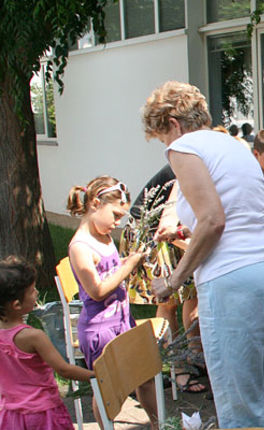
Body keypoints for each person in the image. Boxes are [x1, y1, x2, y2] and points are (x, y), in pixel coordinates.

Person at [142, 81, 264, 429]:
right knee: (260, 389)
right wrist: (193, 230)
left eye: (163, 137)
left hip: (233, 279)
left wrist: (174, 281)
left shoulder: (184, 147)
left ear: (173, 123)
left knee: (238, 402)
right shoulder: (232, 144)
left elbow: (214, 220)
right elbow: (234, 214)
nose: (166, 146)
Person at [66, 176, 159, 428]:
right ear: (95, 203)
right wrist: (128, 265)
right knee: (110, 392)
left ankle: (159, 424)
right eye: (115, 215)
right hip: (99, 330)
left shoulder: (105, 236)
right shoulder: (80, 246)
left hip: (122, 321)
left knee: (145, 377)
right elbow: (96, 291)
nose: (118, 222)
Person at [129, 165, 207, 394]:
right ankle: (178, 368)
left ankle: (194, 355)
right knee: (169, 303)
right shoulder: (189, 165)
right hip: (154, 232)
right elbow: (167, 226)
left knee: (192, 295)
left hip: (176, 232)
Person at [0, 256, 96, 430]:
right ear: (16, 305)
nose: (36, 292)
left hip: (11, 415)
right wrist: (97, 376)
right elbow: (64, 369)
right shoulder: (33, 336)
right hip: (43, 413)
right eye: (32, 290)